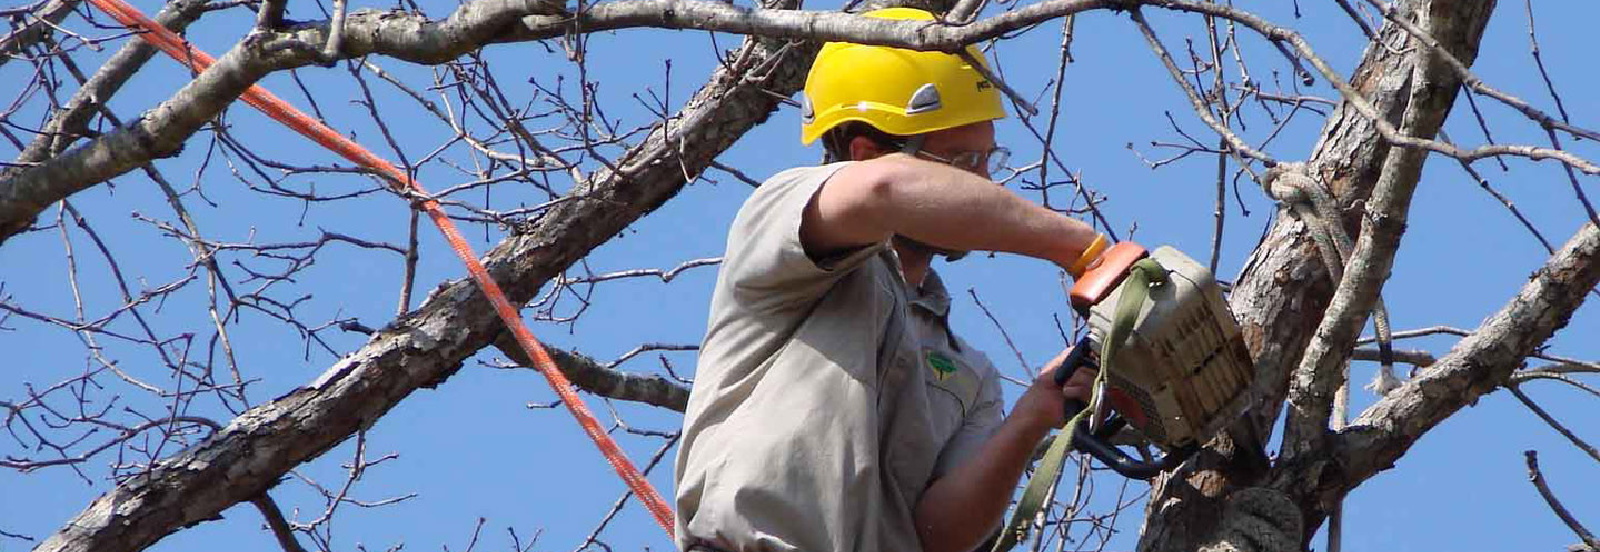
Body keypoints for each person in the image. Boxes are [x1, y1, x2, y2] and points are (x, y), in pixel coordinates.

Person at [672, 8, 1109, 552]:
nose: (986, 181)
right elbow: (880, 193)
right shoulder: (782, 224)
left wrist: (1035, 414)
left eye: (988, 157)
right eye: (964, 159)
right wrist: (1084, 250)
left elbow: (941, 534)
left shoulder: (972, 377)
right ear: (867, 153)